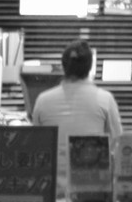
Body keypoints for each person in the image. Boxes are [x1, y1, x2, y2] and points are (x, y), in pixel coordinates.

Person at [31, 39, 122, 187]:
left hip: (52, 190)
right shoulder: (105, 99)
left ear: (63, 66)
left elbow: (36, 148)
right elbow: (118, 146)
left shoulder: (43, 100)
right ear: (90, 67)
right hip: (93, 191)